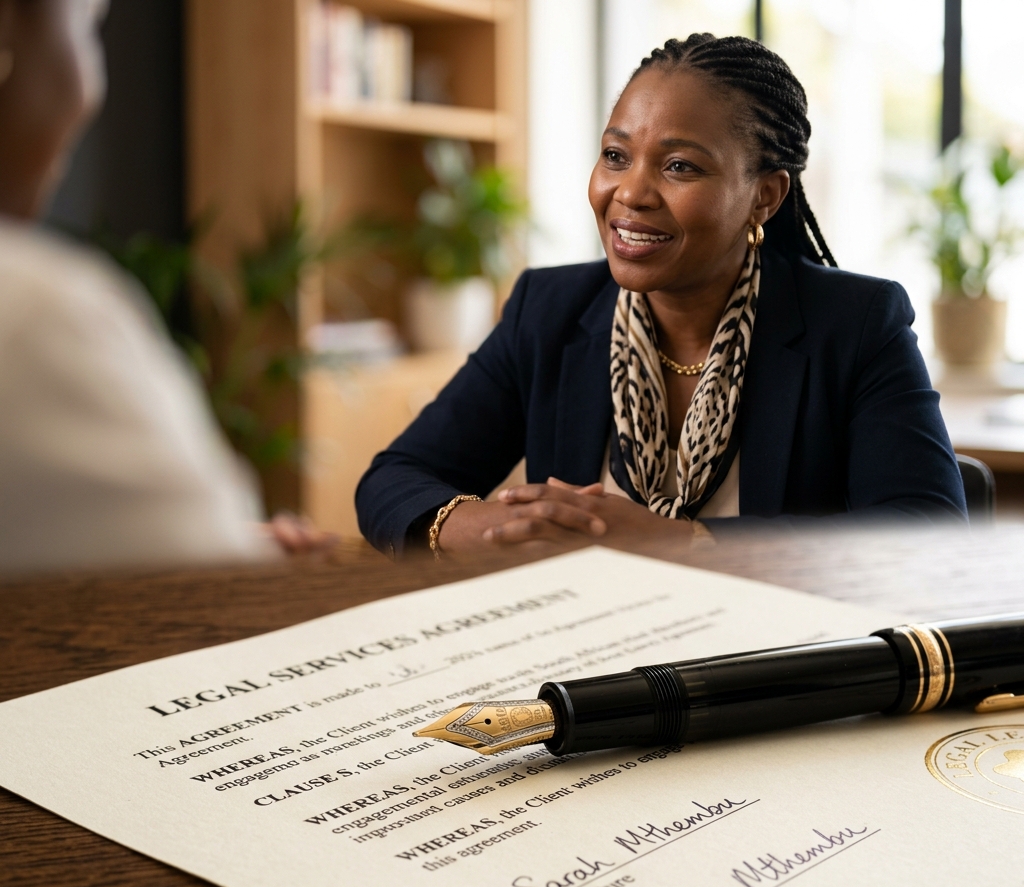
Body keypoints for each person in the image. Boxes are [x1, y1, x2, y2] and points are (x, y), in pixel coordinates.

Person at [357, 33, 966, 559]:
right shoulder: (548, 309)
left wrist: (680, 542)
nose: (630, 193)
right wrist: (490, 527)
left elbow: (926, 533)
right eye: (615, 156)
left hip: (776, 652)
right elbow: (395, 479)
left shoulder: (856, 324)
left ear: (765, 196)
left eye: (679, 167)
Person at [0, 0, 330, 574]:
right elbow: (216, 604)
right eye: (85, 30)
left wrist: (217, 542)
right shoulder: (38, 319)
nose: (89, 91)